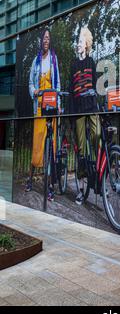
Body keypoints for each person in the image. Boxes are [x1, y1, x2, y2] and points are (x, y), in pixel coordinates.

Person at [25, 29, 61, 202]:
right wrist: (34, 91)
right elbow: (30, 82)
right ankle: (30, 179)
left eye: (48, 37)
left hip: (52, 107)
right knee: (37, 145)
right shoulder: (36, 61)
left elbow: (58, 84)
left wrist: (59, 105)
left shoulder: (54, 60)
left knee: (50, 147)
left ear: (50, 41)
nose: (46, 40)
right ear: (41, 41)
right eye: (44, 37)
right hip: (39, 108)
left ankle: (50, 186)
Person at [70, 27, 100, 206]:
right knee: (81, 149)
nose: (78, 44)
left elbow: (95, 86)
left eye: (81, 41)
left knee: (97, 134)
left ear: (87, 44)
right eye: (78, 42)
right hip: (79, 110)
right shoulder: (74, 64)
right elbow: (71, 88)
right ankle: (81, 191)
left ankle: (96, 168)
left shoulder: (91, 62)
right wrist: (71, 114)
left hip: (91, 106)